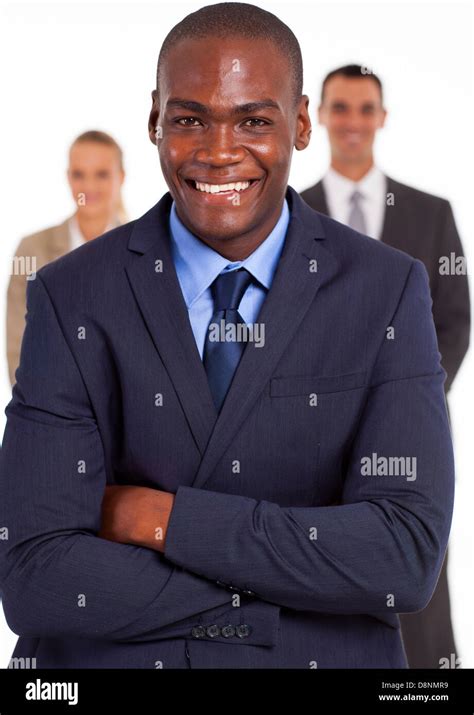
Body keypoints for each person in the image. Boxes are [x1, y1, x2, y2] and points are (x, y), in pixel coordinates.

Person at [0, 3, 454, 669]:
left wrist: (162, 520)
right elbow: (35, 572)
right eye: (189, 119)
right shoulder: (72, 293)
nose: (217, 152)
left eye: (253, 120)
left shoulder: (387, 289)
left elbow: (405, 555)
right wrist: (282, 593)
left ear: (300, 123)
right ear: (155, 118)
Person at [300, 65, 470, 668]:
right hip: (307, 431)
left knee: (415, 564)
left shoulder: (430, 213)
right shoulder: (285, 214)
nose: (352, 121)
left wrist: (400, 407)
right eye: (340, 108)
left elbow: (455, 321)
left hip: (409, 437)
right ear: (318, 115)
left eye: (365, 108)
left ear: (382, 117)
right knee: (311, 563)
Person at [6, 130, 126, 387]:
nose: (89, 187)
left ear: (121, 178)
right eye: (79, 174)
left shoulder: (145, 249)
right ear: (68, 178)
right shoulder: (32, 249)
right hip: (51, 408)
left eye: (102, 174)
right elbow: (17, 345)